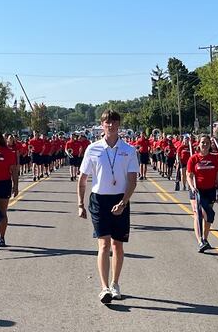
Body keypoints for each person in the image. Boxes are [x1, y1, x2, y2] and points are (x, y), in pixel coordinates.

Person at [77, 110, 139, 304]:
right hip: (99, 200)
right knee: (103, 244)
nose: (110, 125)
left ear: (119, 124)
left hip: (120, 199)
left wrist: (124, 202)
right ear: (101, 125)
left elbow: (132, 180)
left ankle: (115, 283)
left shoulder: (129, 150)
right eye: (106, 122)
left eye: (114, 122)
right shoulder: (92, 148)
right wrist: (80, 203)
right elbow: (82, 179)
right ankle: (104, 288)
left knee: (117, 245)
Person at [187, 135, 218, 252]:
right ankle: (199, 241)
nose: (205, 145)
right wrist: (192, 187)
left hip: (210, 190)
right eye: (203, 142)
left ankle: (205, 238)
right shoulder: (193, 159)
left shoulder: (214, 159)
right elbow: (189, 175)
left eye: (207, 143)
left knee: (208, 215)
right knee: (198, 214)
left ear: (210, 145)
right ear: (199, 144)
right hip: (197, 191)